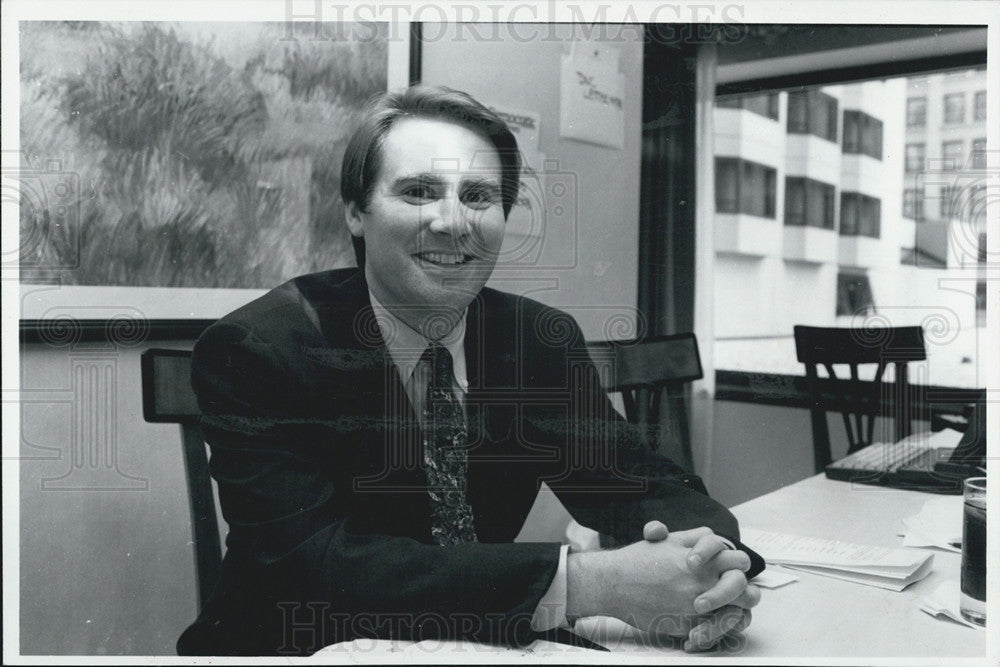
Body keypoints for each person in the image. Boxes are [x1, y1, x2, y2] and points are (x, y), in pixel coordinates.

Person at [177, 84, 764, 657]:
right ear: (357, 212)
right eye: (418, 191)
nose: (453, 222)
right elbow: (311, 568)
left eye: (478, 197)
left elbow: (641, 485)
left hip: (480, 645)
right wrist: (597, 583)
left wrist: (712, 569)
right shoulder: (260, 348)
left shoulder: (537, 341)